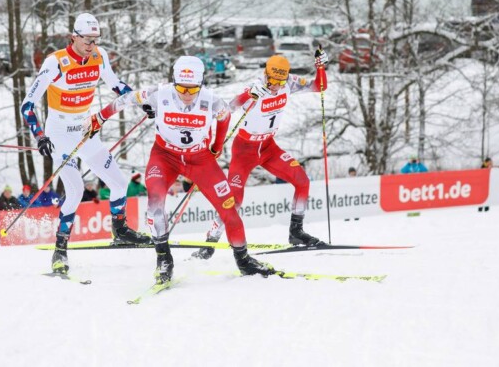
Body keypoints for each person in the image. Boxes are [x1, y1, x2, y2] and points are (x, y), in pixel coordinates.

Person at [89, 55, 274, 283]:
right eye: (181, 89)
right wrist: (100, 117)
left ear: (201, 84)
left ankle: (243, 260)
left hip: (199, 159)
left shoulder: (210, 100)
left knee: (229, 208)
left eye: (192, 90)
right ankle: (164, 259)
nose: (186, 95)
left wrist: (216, 146)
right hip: (165, 157)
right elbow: (125, 99)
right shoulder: (160, 93)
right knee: (155, 205)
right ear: (174, 82)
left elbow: (224, 116)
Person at [20, 12, 150, 274]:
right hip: (59, 134)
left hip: (85, 130)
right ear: (74, 37)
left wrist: (142, 102)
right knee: (76, 190)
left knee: (119, 183)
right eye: (87, 40)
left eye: (95, 40)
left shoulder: (99, 56)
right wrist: (40, 136)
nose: (91, 45)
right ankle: (60, 251)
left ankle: (120, 229)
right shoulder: (55, 62)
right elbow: (27, 105)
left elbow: (116, 85)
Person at [192, 50, 330, 260]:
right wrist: (247, 96)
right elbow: (227, 109)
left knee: (302, 181)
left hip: (268, 148)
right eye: (272, 80)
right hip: (244, 150)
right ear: (266, 74)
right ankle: (209, 243)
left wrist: (320, 67)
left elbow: (319, 86)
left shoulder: (290, 83)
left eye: (279, 82)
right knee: (234, 200)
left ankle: (296, 232)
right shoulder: (255, 88)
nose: (275, 86)